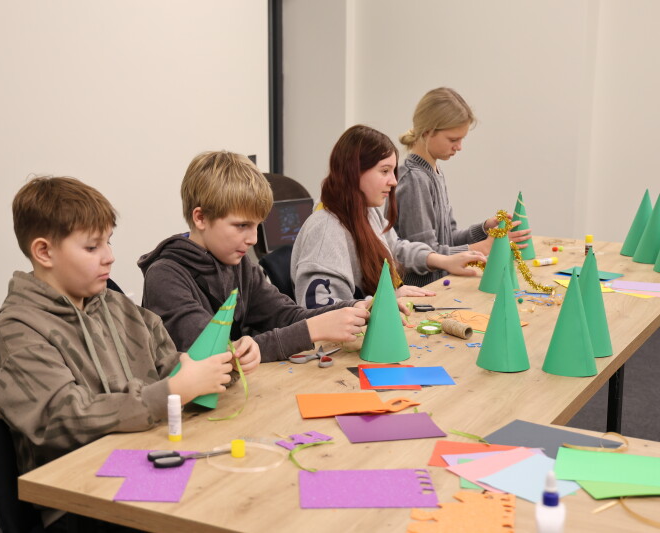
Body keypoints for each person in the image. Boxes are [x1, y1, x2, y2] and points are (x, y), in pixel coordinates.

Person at [0, 176, 234, 530]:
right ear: (44, 252)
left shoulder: (116, 305)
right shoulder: (18, 331)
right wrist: (173, 391)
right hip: (81, 498)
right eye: (92, 247)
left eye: (108, 241)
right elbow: (64, 419)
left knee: (236, 492)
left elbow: (169, 365)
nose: (109, 256)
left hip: (149, 456)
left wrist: (219, 364)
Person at [139, 151, 370, 363]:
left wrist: (354, 308)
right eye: (242, 225)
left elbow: (287, 316)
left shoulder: (238, 265)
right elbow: (216, 355)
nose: (253, 239)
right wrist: (310, 330)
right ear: (200, 218)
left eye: (257, 226)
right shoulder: (165, 277)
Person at [291, 125, 486, 309]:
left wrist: (444, 261)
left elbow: (395, 248)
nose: (393, 181)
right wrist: (385, 301)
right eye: (385, 171)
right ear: (353, 172)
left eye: (393, 172)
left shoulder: (367, 211)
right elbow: (319, 308)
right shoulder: (326, 231)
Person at [394, 87, 530, 285]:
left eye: (461, 139)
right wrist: (483, 248)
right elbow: (426, 255)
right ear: (428, 132)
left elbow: (448, 238)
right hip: (421, 292)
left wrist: (484, 229)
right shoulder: (414, 179)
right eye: (453, 139)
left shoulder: (434, 172)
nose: (459, 147)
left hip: (441, 286)